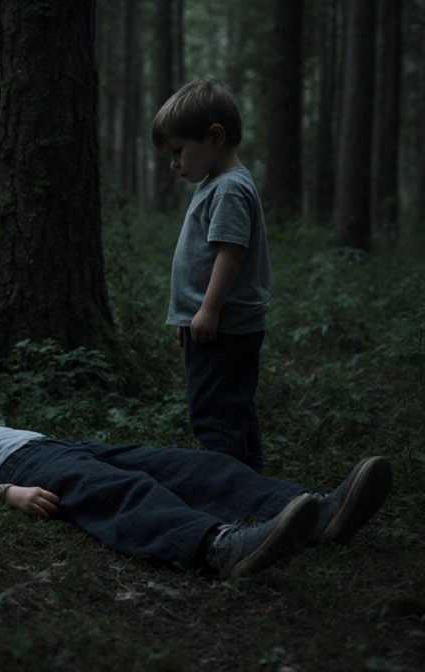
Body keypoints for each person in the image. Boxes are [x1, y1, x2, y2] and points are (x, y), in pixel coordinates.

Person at [0, 395, 393, 579]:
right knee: (125, 493)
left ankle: (317, 513)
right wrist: (2, 494)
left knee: (190, 467)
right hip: (28, 469)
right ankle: (221, 546)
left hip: (67, 447)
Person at [152, 78, 271, 473]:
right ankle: (254, 487)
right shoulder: (218, 185)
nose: (174, 164)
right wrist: (189, 315)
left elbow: (231, 253)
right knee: (232, 408)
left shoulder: (229, 190)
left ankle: (232, 496)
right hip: (211, 324)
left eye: (178, 151)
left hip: (223, 327)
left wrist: (208, 310)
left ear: (214, 137)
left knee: (215, 415)